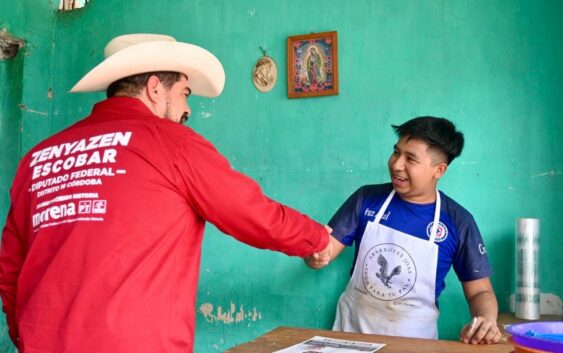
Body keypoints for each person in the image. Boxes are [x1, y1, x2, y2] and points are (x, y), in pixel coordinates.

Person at [0, 33, 332, 353]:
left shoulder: (38, 157)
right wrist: (316, 238)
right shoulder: (169, 141)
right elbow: (249, 210)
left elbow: (11, 266)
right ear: (155, 88)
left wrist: (28, 335)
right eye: (185, 92)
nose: (188, 109)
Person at [305, 116, 502, 345]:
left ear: (438, 170)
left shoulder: (459, 222)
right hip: (351, 338)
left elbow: (480, 292)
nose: (397, 164)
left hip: (415, 345)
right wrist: (313, 254)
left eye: (411, 159)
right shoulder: (366, 199)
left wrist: (487, 320)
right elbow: (324, 251)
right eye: (396, 152)